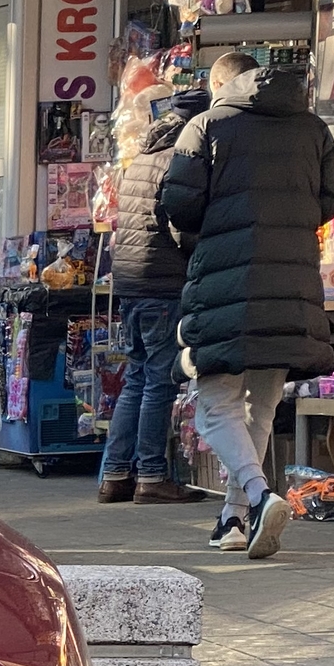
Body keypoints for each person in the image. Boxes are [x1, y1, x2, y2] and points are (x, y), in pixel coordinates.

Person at [161, 48, 334, 559]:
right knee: (259, 406)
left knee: (215, 406)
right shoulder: (312, 128)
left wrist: (208, 230)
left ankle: (261, 495)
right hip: (292, 284)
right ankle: (234, 519)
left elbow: (178, 202)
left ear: (222, 84)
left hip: (226, 283)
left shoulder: (206, 126)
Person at [97, 84, 208, 503]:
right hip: (162, 283)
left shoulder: (141, 158)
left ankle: (114, 475)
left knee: (138, 378)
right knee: (159, 380)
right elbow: (179, 227)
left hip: (130, 284)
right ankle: (151, 476)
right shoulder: (179, 161)